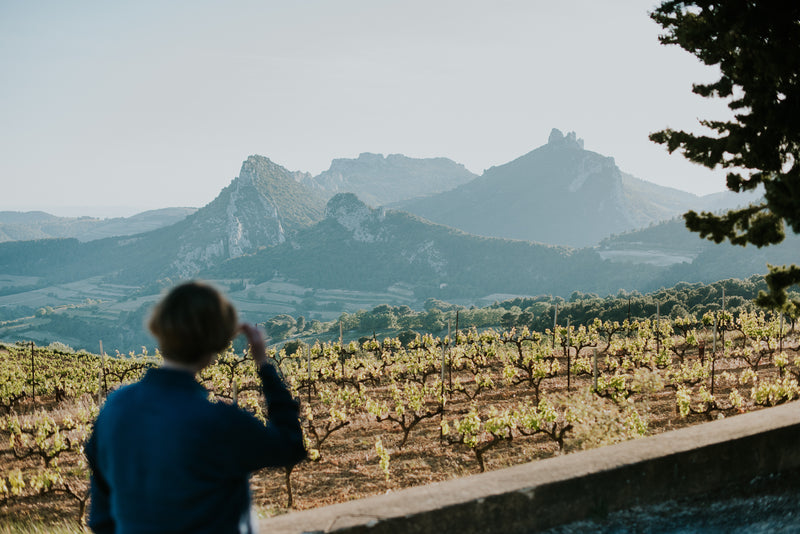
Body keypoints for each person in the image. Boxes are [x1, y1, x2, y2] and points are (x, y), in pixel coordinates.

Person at [85, 280, 305, 533]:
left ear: (160, 329)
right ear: (218, 343)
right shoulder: (219, 422)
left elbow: (101, 516)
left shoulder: (114, 407)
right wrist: (264, 366)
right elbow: (291, 445)